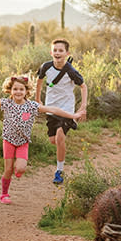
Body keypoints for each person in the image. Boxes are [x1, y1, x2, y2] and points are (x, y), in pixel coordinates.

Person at [0, 75, 81, 203]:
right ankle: (4, 194)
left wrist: (72, 115)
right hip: (8, 141)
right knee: (8, 170)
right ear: (10, 90)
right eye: (15, 89)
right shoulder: (6, 103)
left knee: (21, 168)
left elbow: (52, 109)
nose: (18, 92)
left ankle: (18, 170)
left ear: (26, 91)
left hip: (23, 142)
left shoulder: (32, 106)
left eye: (21, 89)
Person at [36, 38, 88, 185]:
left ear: (67, 53)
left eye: (61, 50)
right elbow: (39, 81)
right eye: (55, 50)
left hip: (66, 109)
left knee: (59, 137)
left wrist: (83, 106)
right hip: (50, 107)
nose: (58, 53)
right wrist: (38, 100)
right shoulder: (46, 66)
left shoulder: (71, 71)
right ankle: (62, 144)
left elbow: (83, 86)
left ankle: (59, 171)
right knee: (53, 140)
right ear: (51, 52)